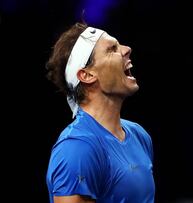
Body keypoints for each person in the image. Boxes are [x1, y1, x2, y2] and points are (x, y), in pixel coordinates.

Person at [45, 22, 155, 203]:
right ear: (87, 75)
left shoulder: (139, 135)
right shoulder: (76, 148)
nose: (127, 49)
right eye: (112, 49)